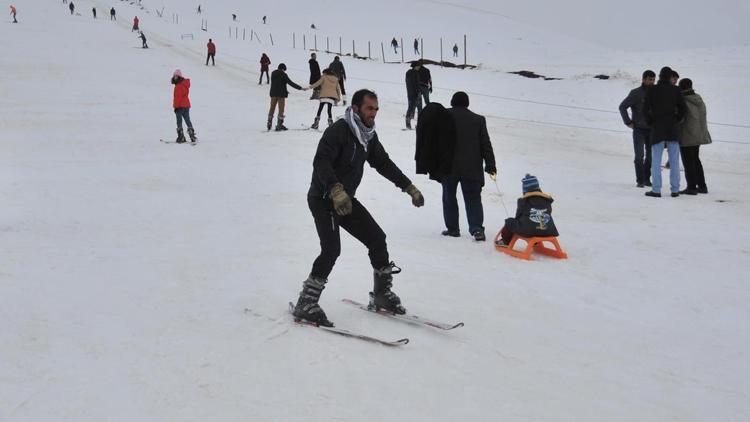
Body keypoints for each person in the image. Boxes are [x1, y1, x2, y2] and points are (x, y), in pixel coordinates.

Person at [292, 89, 425, 327]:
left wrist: (408, 187)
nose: (373, 114)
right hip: (324, 199)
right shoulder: (339, 131)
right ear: (355, 109)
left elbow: (383, 163)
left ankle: (382, 295)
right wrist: (335, 188)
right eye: (369, 109)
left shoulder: (368, 137)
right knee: (331, 250)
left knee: (377, 239)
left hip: (346, 201)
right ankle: (306, 302)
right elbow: (321, 160)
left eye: (376, 109)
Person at [442, 92, 496, 241]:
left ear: (452, 102)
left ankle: (453, 229)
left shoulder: (444, 116)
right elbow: (486, 144)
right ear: (467, 103)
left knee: (449, 198)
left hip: (449, 167)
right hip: (472, 167)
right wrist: (491, 163)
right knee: (473, 199)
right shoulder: (478, 120)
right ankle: (477, 229)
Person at [643, 66, 687, 198]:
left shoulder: (652, 89)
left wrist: (651, 122)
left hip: (657, 128)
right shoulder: (676, 90)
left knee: (656, 161)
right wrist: (676, 120)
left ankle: (656, 189)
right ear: (669, 77)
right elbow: (683, 109)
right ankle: (675, 189)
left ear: (660, 76)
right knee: (674, 161)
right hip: (672, 128)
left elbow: (645, 109)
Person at [495, 174, 559, 247]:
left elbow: (518, 216)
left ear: (525, 190)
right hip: (548, 230)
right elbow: (548, 213)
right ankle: (535, 242)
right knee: (534, 223)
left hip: (529, 231)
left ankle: (505, 242)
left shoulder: (523, 201)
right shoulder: (547, 200)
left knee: (510, 222)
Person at [619, 69, 656, 188]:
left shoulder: (656, 93)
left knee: (651, 156)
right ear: (644, 79)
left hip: (652, 129)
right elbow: (622, 106)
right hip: (639, 129)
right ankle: (640, 180)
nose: (652, 82)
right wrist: (628, 122)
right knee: (639, 155)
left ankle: (646, 178)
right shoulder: (636, 93)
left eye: (653, 80)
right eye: (650, 79)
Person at [677, 78, 711, 195]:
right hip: (698, 134)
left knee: (688, 162)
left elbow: (681, 118)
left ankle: (691, 187)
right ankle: (702, 186)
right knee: (696, 160)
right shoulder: (698, 99)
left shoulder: (683, 100)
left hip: (687, 135)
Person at [267, 63, 307, 131]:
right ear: (283, 68)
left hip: (273, 94)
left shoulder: (273, 73)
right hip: (281, 95)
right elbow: (290, 83)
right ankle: (279, 125)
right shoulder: (283, 74)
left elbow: (277, 83)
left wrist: (285, 90)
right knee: (281, 109)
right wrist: (300, 88)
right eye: (284, 70)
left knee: (272, 108)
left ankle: (269, 122)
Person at [171, 70, 197, 143]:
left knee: (179, 121)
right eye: (174, 76)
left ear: (179, 77)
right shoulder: (185, 84)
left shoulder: (179, 86)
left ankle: (181, 136)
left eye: (176, 76)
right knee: (187, 120)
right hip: (186, 105)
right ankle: (192, 135)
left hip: (180, 106)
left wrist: (176, 107)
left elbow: (177, 98)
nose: (175, 78)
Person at [404, 61, 422, 129]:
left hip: (410, 94)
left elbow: (409, 84)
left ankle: (408, 123)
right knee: (419, 109)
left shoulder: (408, 73)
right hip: (416, 94)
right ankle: (419, 125)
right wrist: (418, 92)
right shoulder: (415, 73)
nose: (419, 67)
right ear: (415, 66)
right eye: (418, 66)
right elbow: (416, 84)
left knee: (410, 108)